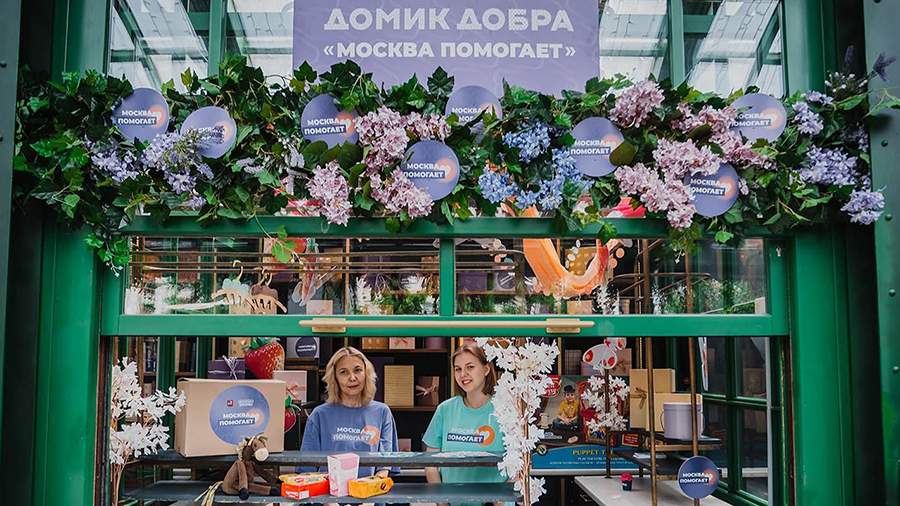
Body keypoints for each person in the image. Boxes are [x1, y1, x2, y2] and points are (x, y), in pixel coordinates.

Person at [423, 344, 507, 506]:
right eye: (458, 369)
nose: (463, 374)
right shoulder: (445, 410)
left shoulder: (505, 410)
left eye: (470, 367)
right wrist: (441, 502)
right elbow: (430, 463)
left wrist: (501, 501)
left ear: (486, 369)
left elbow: (519, 464)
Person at [300, 346, 399, 479]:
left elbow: (384, 469)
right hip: (327, 492)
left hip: (369, 491)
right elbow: (307, 471)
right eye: (343, 372)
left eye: (357, 370)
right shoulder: (319, 415)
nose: (352, 378)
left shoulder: (382, 412)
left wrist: (369, 492)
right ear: (335, 378)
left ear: (366, 373)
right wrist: (329, 493)